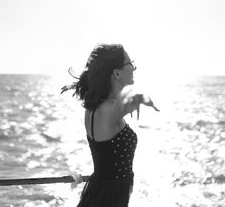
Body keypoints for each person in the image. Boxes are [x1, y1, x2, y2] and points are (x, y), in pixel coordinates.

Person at [61, 43, 159, 206]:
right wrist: (141, 98)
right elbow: (126, 103)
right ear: (116, 73)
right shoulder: (107, 110)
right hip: (108, 199)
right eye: (130, 64)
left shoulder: (96, 107)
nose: (134, 68)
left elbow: (122, 104)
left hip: (100, 192)